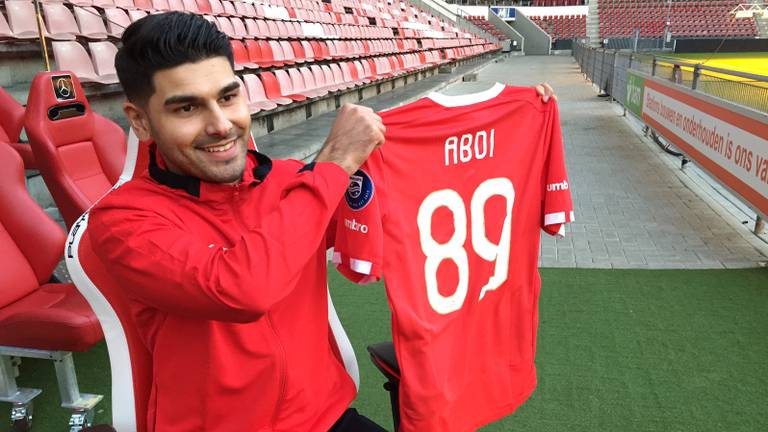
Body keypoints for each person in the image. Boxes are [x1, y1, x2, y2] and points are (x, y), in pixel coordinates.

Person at [88, 11, 556, 432]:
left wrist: (502, 123)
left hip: (325, 418)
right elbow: (241, 288)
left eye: (228, 97)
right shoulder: (121, 221)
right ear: (141, 122)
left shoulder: (291, 183)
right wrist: (332, 165)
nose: (220, 124)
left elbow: (408, 207)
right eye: (186, 108)